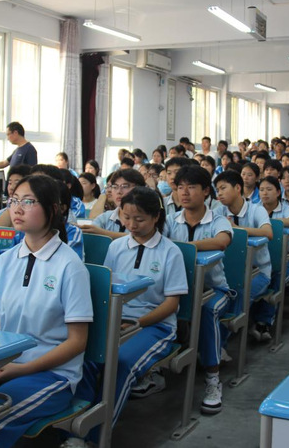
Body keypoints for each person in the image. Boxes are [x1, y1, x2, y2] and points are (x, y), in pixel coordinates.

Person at [0, 175, 92, 446]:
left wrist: (22, 369)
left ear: (53, 209)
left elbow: (77, 341)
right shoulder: (4, 261)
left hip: (52, 374)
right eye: (14, 200)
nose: (17, 209)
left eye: (28, 202)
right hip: (4, 365)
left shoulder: (70, 266)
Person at [79, 187, 188, 426]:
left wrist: (138, 323)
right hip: (117, 320)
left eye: (139, 219)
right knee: (87, 357)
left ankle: (98, 433)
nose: (131, 225)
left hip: (155, 326)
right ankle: (79, 426)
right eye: (126, 218)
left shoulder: (170, 252)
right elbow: (108, 291)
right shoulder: (116, 247)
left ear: (156, 217)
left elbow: (172, 303)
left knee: (121, 363)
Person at [164, 166, 232, 414]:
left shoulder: (217, 219)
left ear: (205, 191)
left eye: (191, 187)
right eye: (180, 187)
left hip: (214, 290)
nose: (184, 192)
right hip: (177, 290)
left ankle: (213, 379)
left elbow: (222, 241)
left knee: (207, 310)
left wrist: (184, 247)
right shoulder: (170, 220)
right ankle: (152, 373)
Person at [213, 170, 275, 341]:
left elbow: (268, 232)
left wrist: (236, 229)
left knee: (238, 293)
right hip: (227, 272)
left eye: (223, 188)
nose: (219, 194)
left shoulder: (256, 209)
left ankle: (221, 344)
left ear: (237, 188)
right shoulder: (218, 211)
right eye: (217, 190)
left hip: (258, 272)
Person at [80, 169, 145, 240]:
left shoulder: (146, 216)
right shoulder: (105, 217)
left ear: (139, 188)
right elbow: (93, 230)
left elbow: (141, 237)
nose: (119, 191)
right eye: (115, 187)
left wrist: (102, 233)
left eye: (125, 186)